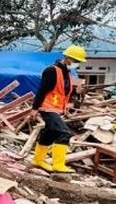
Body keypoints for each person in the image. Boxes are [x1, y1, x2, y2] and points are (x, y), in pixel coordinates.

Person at [30, 45, 87, 173]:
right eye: (76, 61)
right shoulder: (51, 70)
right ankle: (58, 165)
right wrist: (34, 108)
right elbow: (42, 90)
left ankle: (38, 160)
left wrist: (75, 92)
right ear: (67, 57)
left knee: (50, 133)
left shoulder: (67, 73)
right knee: (64, 133)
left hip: (56, 108)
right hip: (47, 108)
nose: (77, 64)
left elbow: (63, 92)